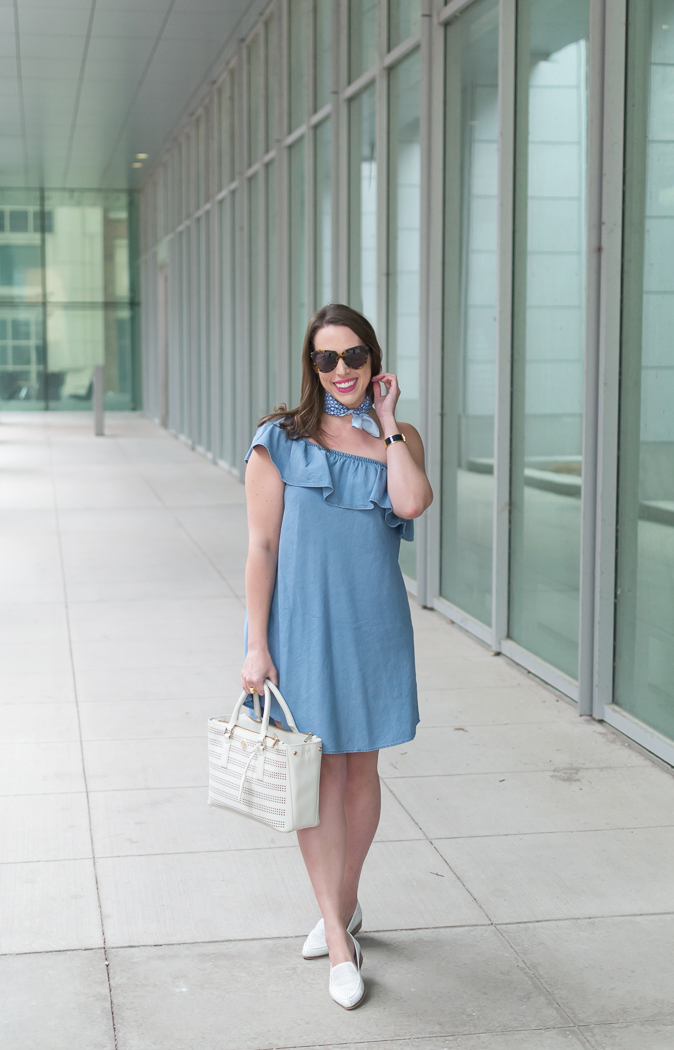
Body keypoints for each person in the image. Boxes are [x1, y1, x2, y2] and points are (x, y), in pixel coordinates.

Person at [240, 303, 433, 1009]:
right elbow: (261, 548)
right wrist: (257, 645)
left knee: (360, 773)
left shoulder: (397, 437)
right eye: (327, 360)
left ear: (373, 363)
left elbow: (411, 504)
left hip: (373, 626)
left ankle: (340, 909)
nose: (342, 371)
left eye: (354, 357)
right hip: (301, 627)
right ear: (310, 366)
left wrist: (386, 425)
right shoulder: (279, 441)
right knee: (316, 778)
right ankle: (338, 937)